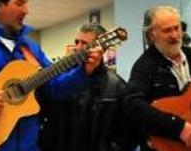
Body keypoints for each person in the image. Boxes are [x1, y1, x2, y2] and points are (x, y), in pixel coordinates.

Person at [0, 0, 103, 151]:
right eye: (19, 3)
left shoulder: (31, 50)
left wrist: (85, 71)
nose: (26, 10)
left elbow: (55, 88)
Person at [122, 5, 191, 150]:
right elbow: (132, 105)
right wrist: (177, 127)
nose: (175, 35)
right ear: (151, 35)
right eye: (167, 30)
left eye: (177, 28)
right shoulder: (144, 67)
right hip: (169, 145)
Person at [39, 23, 136, 151]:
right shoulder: (59, 80)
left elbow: (127, 133)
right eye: (77, 42)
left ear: (102, 48)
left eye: (84, 43)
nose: (78, 47)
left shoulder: (116, 86)